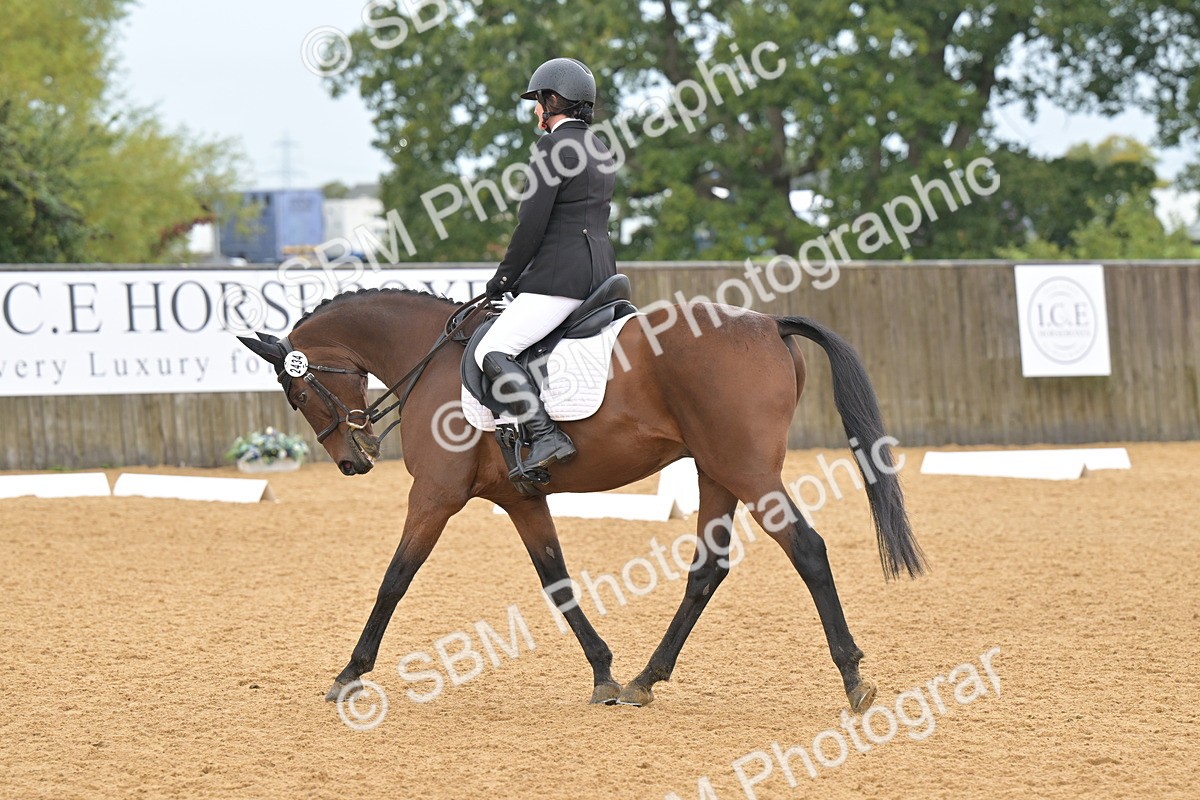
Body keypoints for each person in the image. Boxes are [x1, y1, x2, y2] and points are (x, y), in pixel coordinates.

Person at [476, 57, 618, 472]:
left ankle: (545, 435)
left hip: (562, 280)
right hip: (601, 277)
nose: (536, 110)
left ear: (553, 100)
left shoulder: (552, 148)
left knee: (491, 348)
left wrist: (504, 278)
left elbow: (531, 225)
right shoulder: (601, 148)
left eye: (538, 101)